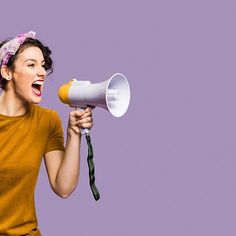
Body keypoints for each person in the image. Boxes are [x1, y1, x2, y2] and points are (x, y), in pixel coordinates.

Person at [0, 31, 93, 235]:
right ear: (7, 73)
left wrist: (74, 134)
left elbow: (63, 187)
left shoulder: (47, 121)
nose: (42, 72)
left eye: (43, 65)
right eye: (31, 64)